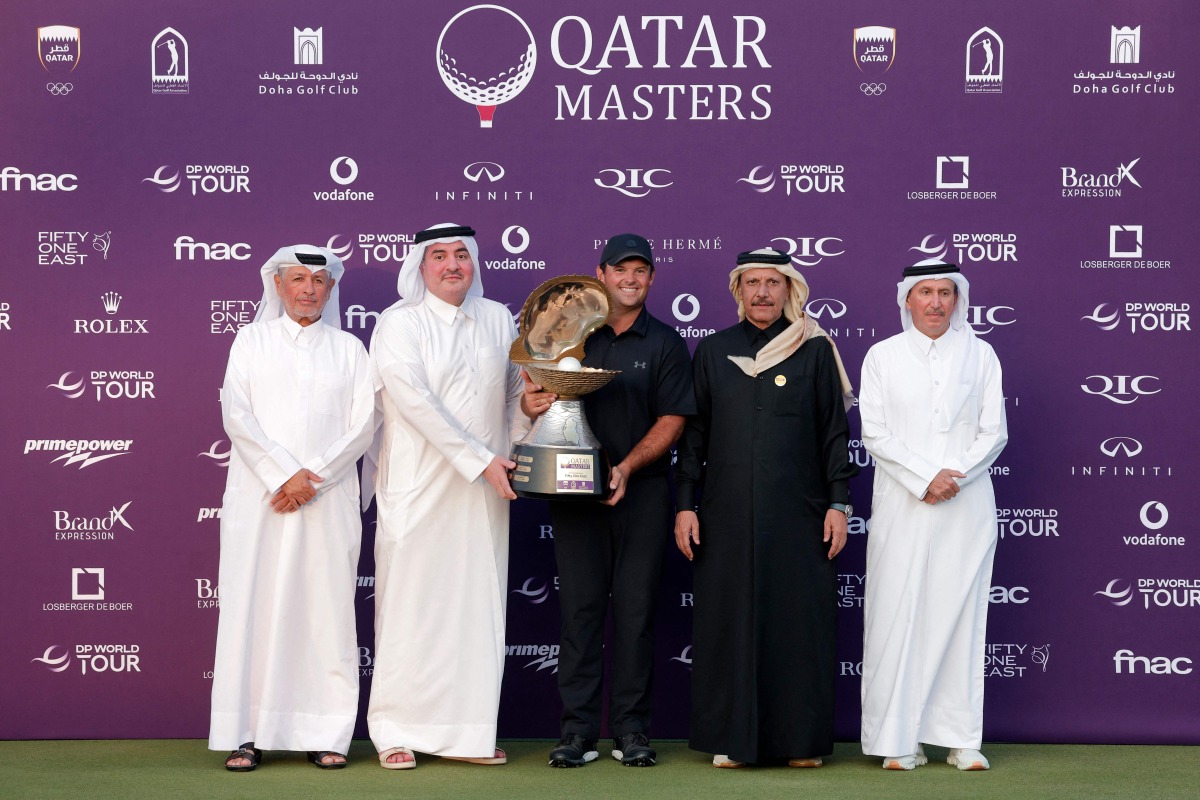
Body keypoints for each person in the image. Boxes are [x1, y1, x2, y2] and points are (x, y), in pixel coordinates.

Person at [674, 248, 858, 769]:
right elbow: (694, 437)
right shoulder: (714, 350)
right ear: (738, 291)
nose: (762, 292)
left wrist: (838, 503)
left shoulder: (814, 349)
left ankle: (800, 744)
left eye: (772, 283)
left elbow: (833, 434)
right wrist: (685, 505)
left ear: (789, 289)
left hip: (800, 514)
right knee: (728, 623)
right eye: (752, 283)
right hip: (724, 514)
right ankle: (732, 741)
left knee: (799, 624)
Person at [525, 233, 694, 768]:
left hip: (642, 494)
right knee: (580, 612)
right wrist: (532, 403)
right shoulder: (569, 335)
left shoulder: (666, 342)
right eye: (620, 269)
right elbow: (537, 400)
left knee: (636, 614)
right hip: (575, 493)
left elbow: (673, 419)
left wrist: (626, 467)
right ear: (600, 275)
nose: (630, 279)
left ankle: (631, 730)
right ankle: (577, 732)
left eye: (640, 270)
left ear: (651, 278)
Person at [366, 223, 526, 770]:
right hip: (418, 487)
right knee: (410, 606)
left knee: (476, 608)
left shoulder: (498, 318)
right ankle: (395, 731)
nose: (452, 265)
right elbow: (412, 399)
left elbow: (514, 394)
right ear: (421, 266)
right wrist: (479, 459)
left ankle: (468, 733)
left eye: (461, 254)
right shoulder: (399, 323)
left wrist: (522, 426)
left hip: (485, 491)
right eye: (439, 256)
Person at [209, 245, 375, 771]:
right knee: (252, 606)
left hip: (326, 501)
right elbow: (237, 415)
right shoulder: (250, 340)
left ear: (331, 289)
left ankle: (324, 732)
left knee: (324, 611)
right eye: (298, 279)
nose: (308, 289)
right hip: (262, 499)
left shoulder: (350, 349)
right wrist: (284, 475)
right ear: (277, 285)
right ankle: (245, 733)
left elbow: (363, 425)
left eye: (318, 280)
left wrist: (312, 478)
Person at [858, 261, 1008, 771]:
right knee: (896, 615)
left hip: (966, 504)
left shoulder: (981, 354)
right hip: (903, 503)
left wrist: (951, 478)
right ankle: (899, 740)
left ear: (957, 300)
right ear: (908, 299)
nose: (936, 302)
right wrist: (925, 478)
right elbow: (874, 433)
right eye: (926, 292)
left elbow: (994, 432)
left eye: (945, 292)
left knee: (961, 617)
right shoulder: (882, 356)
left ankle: (961, 740)